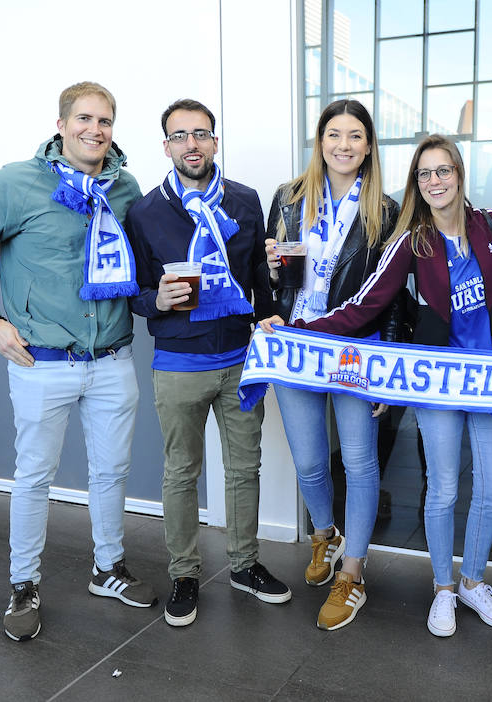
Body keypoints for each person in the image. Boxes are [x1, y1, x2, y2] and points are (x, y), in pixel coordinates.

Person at [261, 133, 492, 638]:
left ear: (459, 173)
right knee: (444, 488)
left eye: (442, 171)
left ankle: (474, 582)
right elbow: (366, 304)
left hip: (491, 381)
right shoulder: (413, 240)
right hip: (437, 381)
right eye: (424, 174)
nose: (434, 182)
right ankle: (443, 590)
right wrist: (299, 330)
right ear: (416, 183)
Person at [0, 81, 156, 642]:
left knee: (111, 473)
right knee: (34, 477)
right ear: (61, 125)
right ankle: (23, 584)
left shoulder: (126, 187)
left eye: (106, 120)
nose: (96, 129)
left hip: (112, 357)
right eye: (84, 118)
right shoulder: (18, 182)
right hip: (42, 363)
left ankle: (108, 569)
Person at [125, 99, 290, 628]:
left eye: (201, 134)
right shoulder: (146, 212)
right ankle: (185, 574)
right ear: (166, 145)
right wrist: (158, 301)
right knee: (181, 472)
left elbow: (259, 279)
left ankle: (243, 565)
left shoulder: (244, 201)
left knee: (245, 467)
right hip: (177, 365)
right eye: (179, 136)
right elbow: (134, 292)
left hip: (240, 361)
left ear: (215, 141)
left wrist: (268, 314)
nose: (191, 144)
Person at [262, 99, 399, 630]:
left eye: (355, 136)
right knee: (311, 462)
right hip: (297, 343)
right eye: (334, 134)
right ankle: (325, 535)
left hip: (354, 349)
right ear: (320, 141)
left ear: (368, 145)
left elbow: (392, 298)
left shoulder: (385, 210)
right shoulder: (289, 197)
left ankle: (353, 574)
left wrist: (385, 361)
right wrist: (272, 277)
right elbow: (275, 276)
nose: (344, 145)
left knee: (360, 463)